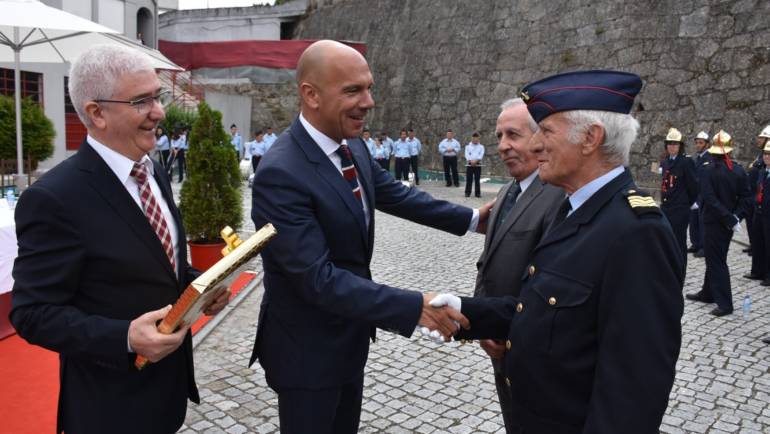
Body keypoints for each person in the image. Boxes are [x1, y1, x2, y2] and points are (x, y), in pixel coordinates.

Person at [249, 40, 490, 434]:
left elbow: (396, 194)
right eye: (352, 91)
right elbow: (317, 278)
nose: (369, 101)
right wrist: (416, 306)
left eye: (369, 87)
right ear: (310, 95)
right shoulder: (282, 173)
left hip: (350, 335)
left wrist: (473, 220)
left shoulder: (352, 145)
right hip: (306, 351)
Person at [432, 70, 684, 433]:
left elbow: (633, 388)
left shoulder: (636, 232)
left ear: (590, 138)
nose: (535, 145)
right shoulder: (573, 208)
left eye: (546, 131)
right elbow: (539, 309)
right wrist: (463, 310)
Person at [9, 44, 229, 434]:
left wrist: (202, 286)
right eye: (142, 101)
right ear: (97, 113)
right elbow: (31, 314)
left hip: (167, 392)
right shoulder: (54, 199)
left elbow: (160, 261)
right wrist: (125, 337)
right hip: (109, 407)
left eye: (157, 96)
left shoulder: (153, 170)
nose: (159, 112)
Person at [472, 98, 563, 432]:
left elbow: (546, 278)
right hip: (500, 344)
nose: (502, 146)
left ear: (539, 139)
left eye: (513, 135)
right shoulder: (509, 190)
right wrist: (481, 320)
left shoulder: (557, 195)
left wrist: (509, 330)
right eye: (498, 136)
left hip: (532, 350)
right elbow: (488, 261)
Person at [686, 131, 751, 316]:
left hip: (714, 222)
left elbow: (709, 198)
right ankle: (708, 292)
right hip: (727, 224)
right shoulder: (738, 170)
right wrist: (735, 217)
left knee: (717, 261)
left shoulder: (707, 170)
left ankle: (725, 303)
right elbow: (746, 198)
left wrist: (730, 218)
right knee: (714, 257)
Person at [660, 127, 697, 274]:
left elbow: (693, 185)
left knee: (679, 241)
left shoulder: (686, 162)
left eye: (675, 144)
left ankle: (680, 269)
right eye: (669, 143)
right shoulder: (665, 161)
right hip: (666, 207)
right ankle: (668, 266)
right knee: (667, 239)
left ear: (680, 146)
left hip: (680, 208)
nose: (672, 146)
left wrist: (689, 203)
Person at [746, 125, 770, 277]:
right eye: (766, 154)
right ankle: (757, 270)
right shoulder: (762, 172)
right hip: (759, 211)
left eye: (769, 154)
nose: (767, 156)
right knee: (758, 242)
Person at [688, 131, 711, 257]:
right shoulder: (698, 158)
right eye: (696, 143)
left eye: (701, 143)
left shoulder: (709, 158)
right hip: (696, 193)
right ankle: (695, 243)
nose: (697, 145)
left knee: (702, 221)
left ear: (707, 144)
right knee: (693, 219)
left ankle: (703, 246)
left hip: (704, 194)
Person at [464, 132, 485, 197]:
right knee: (469, 179)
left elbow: (481, 155)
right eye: (474, 139)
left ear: (478, 139)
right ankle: (467, 193)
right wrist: (470, 161)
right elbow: (466, 155)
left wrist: (476, 161)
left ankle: (477, 193)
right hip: (470, 164)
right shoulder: (467, 146)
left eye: (476, 139)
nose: (475, 140)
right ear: (472, 139)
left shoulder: (481, 147)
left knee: (477, 179)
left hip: (478, 164)